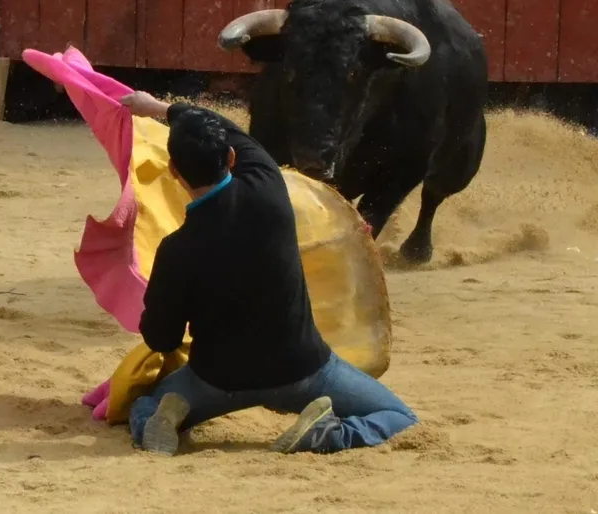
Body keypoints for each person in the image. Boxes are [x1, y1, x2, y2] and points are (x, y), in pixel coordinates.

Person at [119, 90, 418, 456]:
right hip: (302, 371)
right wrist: (160, 108)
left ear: (174, 171)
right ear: (231, 158)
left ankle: (160, 418)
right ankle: (331, 435)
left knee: (145, 404)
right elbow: (232, 131)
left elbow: (161, 339)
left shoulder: (175, 249)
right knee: (398, 415)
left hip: (217, 380)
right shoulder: (268, 187)